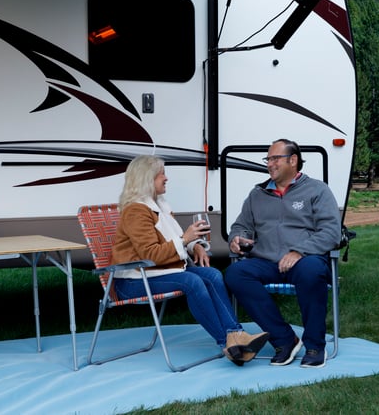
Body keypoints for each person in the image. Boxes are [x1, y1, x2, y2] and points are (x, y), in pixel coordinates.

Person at [112, 155, 269, 365]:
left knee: (212, 275)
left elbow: (172, 240)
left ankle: (236, 334)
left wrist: (195, 246)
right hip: (131, 281)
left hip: (157, 272)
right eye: (161, 174)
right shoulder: (136, 211)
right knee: (192, 282)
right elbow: (151, 254)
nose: (166, 178)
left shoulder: (158, 206)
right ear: (146, 178)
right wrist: (186, 238)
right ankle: (229, 344)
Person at [225, 139, 341, 368]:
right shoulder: (257, 194)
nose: (270, 164)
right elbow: (240, 226)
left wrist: (300, 251)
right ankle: (285, 340)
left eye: (275, 158)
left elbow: (331, 232)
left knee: (312, 270)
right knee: (235, 273)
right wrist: (236, 239)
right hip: (267, 261)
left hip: (305, 260)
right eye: (268, 159)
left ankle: (315, 345)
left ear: (293, 160)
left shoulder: (317, 190)